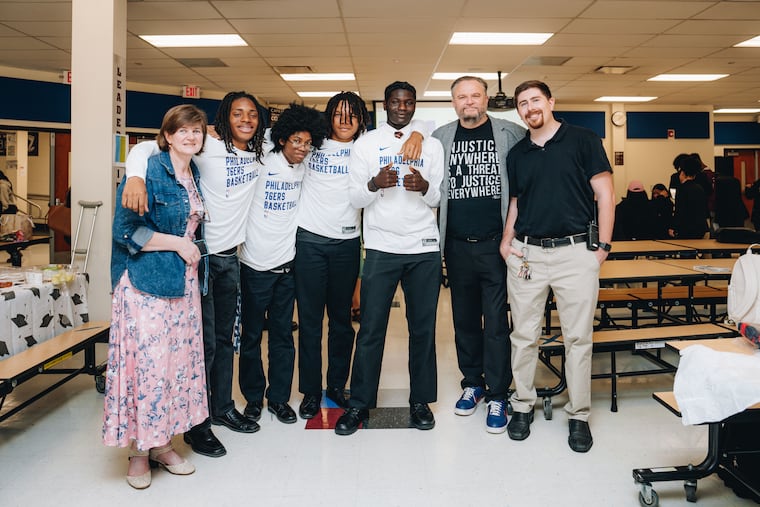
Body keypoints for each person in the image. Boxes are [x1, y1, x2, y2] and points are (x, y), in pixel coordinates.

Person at [122, 91, 267, 458]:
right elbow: (143, 149)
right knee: (199, 346)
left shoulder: (260, 150)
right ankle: (196, 426)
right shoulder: (204, 148)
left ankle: (221, 408)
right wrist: (134, 177)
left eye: (252, 114)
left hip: (229, 259)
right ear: (224, 118)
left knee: (223, 340)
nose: (246, 119)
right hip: (196, 262)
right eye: (238, 113)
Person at [499, 80, 614, 453]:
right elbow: (517, 203)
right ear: (518, 111)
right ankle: (522, 405)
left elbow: (605, 195)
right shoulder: (517, 154)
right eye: (522, 104)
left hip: (574, 253)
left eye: (535, 100)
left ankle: (579, 415)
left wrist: (602, 250)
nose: (530, 108)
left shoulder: (583, 140)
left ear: (550, 102)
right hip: (527, 254)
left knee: (578, 338)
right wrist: (506, 241)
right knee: (523, 336)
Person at [103, 104, 209, 489]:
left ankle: (162, 444)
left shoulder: (192, 172)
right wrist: (180, 244)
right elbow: (126, 231)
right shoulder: (146, 172)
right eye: (183, 130)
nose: (190, 136)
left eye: (197, 130)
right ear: (166, 136)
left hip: (182, 286)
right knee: (144, 369)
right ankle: (137, 452)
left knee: (172, 368)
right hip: (146, 286)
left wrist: (186, 252)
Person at [334, 81, 445, 435]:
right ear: (385, 105)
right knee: (370, 330)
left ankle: (420, 401)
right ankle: (359, 404)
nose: (402, 107)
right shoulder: (366, 144)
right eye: (396, 102)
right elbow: (354, 198)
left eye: (408, 102)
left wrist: (425, 187)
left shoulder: (433, 145)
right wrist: (374, 183)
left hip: (424, 248)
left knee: (423, 330)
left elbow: (439, 196)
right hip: (381, 248)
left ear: (415, 106)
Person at [431, 76, 524, 434]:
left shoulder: (509, 133)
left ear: (486, 99)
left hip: (496, 244)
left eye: (475, 95)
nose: (469, 102)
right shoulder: (440, 137)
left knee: (497, 323)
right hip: (455, 244)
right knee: (464, 320)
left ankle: (499, 392)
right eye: (461, 97)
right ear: (453, 102)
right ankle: (473, 384)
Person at [237, 103, 327, 425]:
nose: (302, 148)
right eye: (295, 142)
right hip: (253, 265)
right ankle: (252, 399)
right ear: (282, 140)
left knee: (281, 337)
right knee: (250, 338)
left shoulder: (304, 166)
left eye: (307, 142)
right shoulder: (262, 159)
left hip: (287, 266)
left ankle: (278, 398)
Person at [668, 155, 709, 239]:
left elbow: (679, 210)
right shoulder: (699, 188)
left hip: (686, 228)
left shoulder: (682, 189)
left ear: (683, 173)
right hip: (701, 227)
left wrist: (673, 227)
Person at [713, 162, 748, 229]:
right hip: (737, 211)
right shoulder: (736, 181)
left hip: (723, 211)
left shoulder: (718, 182)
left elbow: (717, 198)